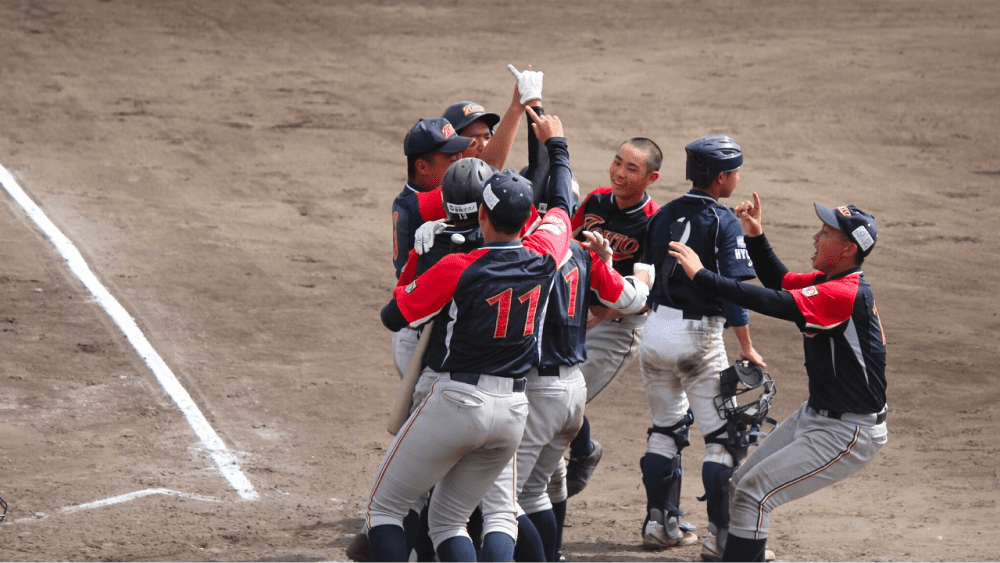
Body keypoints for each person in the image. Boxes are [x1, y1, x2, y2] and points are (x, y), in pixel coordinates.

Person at [365, 110, 575, 563]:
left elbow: (393, 315)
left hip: (458, 401)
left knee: (385, 510)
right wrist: (557, 146)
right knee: (467, 518)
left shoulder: (458, 267)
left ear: (483, 212)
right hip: (515, 409)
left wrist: (421, 263)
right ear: (528, 220)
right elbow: (561, 207)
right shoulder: (545, 255)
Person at [669, 193, 887, 563]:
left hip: (849, 432)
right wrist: (755, 234)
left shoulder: (842, 292)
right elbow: (780, 281)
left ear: (848, 249)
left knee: (756, 493)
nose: (816, 237)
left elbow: (772, 303)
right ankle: (740, 552)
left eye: (826, 233)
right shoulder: (829, 281)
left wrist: (704, 276)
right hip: (816, 415)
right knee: (741, 485)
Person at [637, 135, 765, 552]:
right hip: (698, 338)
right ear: (723, 177)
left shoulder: (664, 214)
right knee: (722, 440)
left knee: (665, 430)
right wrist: (746, 346)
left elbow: (643, 269)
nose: (738, 178)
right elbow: (732, 292)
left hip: (654, 331)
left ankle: (659, 525)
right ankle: (721, 540)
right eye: (736, 172)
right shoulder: (724, 222)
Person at [563, 137, 664, 497]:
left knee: (563, 400)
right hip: (575, 312)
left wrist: (601, 313)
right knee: (546, 390)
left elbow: (648, 295)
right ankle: (583, 449)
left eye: (631, 168)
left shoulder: (655, 223)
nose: (619, 173)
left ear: (651, 178)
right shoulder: (594, 201)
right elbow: (565, 245)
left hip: (617, 325)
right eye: (617, 162)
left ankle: (581, 454)